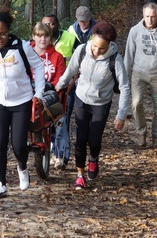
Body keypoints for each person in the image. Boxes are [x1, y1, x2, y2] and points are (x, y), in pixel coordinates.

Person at [0, 7, 46, 199]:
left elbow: (38, 66)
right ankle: (1, 184)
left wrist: (39, 92)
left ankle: (22, 167)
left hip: (22, 100)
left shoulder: (21, 46)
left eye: (2, 34)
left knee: (18, 144)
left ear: (9, 30)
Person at [55, 21, 130, 190]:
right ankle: (80, 175)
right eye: (95, 46)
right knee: (81, 139)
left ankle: (94, 159)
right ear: (91, 39)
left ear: (109, 45)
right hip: (81, 99)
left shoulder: (115, 59)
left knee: (94, 140)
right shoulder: (82, 50)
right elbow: (71, 70)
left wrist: (121, 114)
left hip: (101, 103)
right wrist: (59, 85)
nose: (96, 51)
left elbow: (125, 87)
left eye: (101, 49)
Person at [123, 2, 157, 148]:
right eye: (147, 16)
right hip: (139, 72)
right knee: (136, 103)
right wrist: (124, 76)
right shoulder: (135, 31)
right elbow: (129, 54)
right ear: (143, 16)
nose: (150, 20)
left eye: (152, 17)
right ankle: (141, 133)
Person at [61, 6, 97, 170]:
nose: (83, 23)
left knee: (85, 115)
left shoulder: (97, 31)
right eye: (80, 20)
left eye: (86, 20)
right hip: (71, 79)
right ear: (76, 18)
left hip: (89, 79)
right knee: (66, 112)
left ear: (90, 17)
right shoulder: (68, 33)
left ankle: (85, 142)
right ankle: (65, 149)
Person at [42, 14, 78, 170]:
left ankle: (61, 156)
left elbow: (79, 59)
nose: (48, 27)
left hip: (65, 89)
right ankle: (49, 153)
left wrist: (68, 83)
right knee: (44, 123)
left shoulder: (69, 39)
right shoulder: (33, 47)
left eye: (51, 24)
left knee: (62, 121)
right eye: (45, 24)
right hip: (42, 92)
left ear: (57, 25)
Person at [30, 22, 66, 89]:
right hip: (27, 92)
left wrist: (49, 86)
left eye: (46, 36)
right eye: (39, 36)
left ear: (50, 37)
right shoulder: (26, 54)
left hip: (49, 93)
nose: (43, 39)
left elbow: (59, 78)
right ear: (33, 37)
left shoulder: (58, 57)